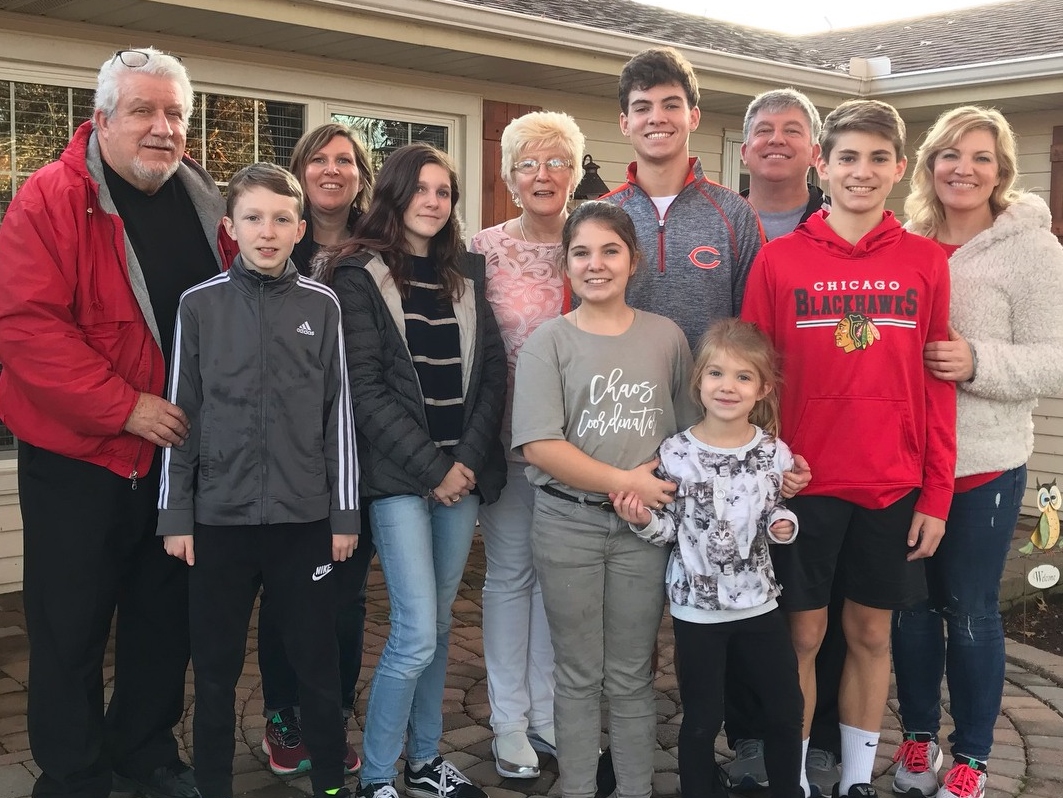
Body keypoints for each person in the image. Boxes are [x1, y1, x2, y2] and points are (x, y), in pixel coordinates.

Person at [0, 46, 236, 798]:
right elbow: (27, 326)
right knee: (69, 629)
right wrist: (125, 407)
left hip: (177, 460)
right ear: (101, 120)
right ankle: (73, 774)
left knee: (162, 620)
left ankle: (147, 752)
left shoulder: (209, 202)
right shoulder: (51, 198)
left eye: (174, 113)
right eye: (143, 110)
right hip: (82, 457)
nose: (161, 127)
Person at [741, 99, 957, 798]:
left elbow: (935, 387)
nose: (860, 172)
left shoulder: (925, 263)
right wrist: (764, 469)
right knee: (800, 639)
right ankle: (796, 778)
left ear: (897, 168)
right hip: (801, 486)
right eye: (846, 158)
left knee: (868, 635)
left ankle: (856, 779)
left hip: (890, 485)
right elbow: (751, 381)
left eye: (875, 158)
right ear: (820, 166)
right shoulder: (778, 261)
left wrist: (937, 492)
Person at [157, 162, 359, 798]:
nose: (266, 232)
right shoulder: (200, 305)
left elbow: (340, 415)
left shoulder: (320, 306)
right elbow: (179, 412)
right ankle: (214, 783)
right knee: (214, 672)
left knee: (317, 666)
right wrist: (176, 516)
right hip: (218, 522)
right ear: (230, 227)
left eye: (280, 219)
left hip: (304, 524)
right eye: (252, 218)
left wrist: (344, 515)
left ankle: (329, 781)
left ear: (300, 229)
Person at [315, 143, 507, 798]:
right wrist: (433, 469)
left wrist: (468, 463)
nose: (433, 201)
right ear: (393, 195)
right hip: (401, 482)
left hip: (463, 479)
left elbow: (491, 377)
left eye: (444, 191)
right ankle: (375, 780)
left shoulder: (467, 274)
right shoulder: (357, 275)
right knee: (416, 631)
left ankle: (424, 767)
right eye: (421, 189)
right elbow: (362, 391)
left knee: (441, 626)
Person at [889, 106, 1063, 798]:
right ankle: (916, 739)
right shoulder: (900, 241)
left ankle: (973, 756)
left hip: (980, 462)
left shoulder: (1031, 248)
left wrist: (976, 361)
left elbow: (1054, 360)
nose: (963, 168)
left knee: (966, 609)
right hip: (901, 460)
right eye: (949, 154)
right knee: (908, 611)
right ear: (928, 164)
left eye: (980, 157)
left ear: (1000, 171)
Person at [511, 201, 700, 798]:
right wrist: (627, 481)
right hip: (569, 525)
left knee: (629, 672)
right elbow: (540, 446)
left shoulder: (665, 337)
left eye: (609, 251)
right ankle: (578, 787)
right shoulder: (551, 342)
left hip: (643, 530)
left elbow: (689, 435)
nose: (596, 265)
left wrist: (651, 484)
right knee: (577, 672)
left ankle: (636, 787)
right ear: (565, 266)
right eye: (581, 253)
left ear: (633, 260)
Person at [612, 317, 804, 798]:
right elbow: (671, 529)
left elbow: (775, 510)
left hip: (759, 605)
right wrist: (642, 521)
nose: (728, 386)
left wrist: (784, 526)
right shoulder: (675, 453)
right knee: (701, 718)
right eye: (717, 373)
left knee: (783, 709)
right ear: (698, 381)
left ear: (762, 388)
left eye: (743, 377)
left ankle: (788, 789)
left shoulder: (773, 453)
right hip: (697, 611)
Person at [725, 88, 842, 798]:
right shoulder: (726, 222)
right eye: (761, 131)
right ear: (743, 151)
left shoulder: (838, 226)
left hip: (817, 452)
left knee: (809, 608)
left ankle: (819, 738)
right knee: (742, 595)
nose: (775, 139)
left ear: (814, 152)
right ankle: (745, 737)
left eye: (791, 130)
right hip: (736, 442)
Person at [257, 122, 375, 776]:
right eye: (319, 159)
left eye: (345, 159)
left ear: (360, 173)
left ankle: (329, 711)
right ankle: (284, 715)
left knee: (345, 596)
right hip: (292, 456)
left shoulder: (378, 251)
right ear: (300, 172)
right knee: (287, 591)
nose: (332, 170)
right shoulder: (275, 247)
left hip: (366, 450)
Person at [469, 110, 585, 779]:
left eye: (556, 162)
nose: (543, 175)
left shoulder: (596, 240)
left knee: (557, 583)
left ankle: (546, 711)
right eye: (528, 164)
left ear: (573, 170)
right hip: (507, 443)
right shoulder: (481, 250)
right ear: (509, 176)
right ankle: (508, 720)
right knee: (511, 578)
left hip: (579, 446)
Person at [602, 46, 763, 352]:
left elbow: (753, 330)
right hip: (618, 394)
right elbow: (578, 321)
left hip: (710, 397)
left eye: (671, 105)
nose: (657, 118)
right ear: (625, 123)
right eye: (642, 108)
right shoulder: (600, 217)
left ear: (694, 116)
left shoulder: (736, 215)